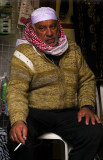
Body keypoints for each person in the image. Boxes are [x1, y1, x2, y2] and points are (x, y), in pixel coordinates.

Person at [6, 7, 103, 160]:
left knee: (94, 132)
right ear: (33, 30)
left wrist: (86, 106)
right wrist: (18, 120)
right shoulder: (24, 53)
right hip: (34, 113)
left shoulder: (73, 49)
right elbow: (16, 90)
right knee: (19, 137)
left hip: (66, 112)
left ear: (58, 26)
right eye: (42, 28)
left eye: (52, 26)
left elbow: (86, 79)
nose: (49, 33)